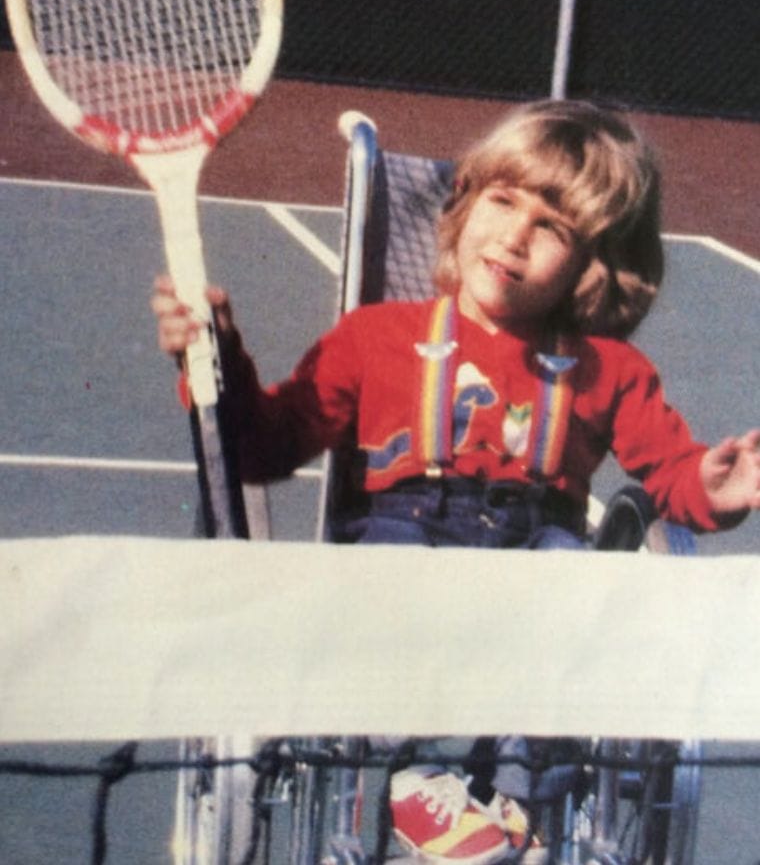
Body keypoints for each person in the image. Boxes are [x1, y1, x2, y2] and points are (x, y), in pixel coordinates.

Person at [152, 99, 760, 865]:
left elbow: (670, 475)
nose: (515, 236)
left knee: (587, 594)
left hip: (536, 547)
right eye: (503, 202)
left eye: (553, 227)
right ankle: (412, 781)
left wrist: (715, 488)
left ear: (591, 265)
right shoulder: (374, 339)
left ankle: (518, 809)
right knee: (391, 572)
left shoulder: (611, 372)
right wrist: (217, 363)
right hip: (403, 530)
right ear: (465, 207)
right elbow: (263, 447)